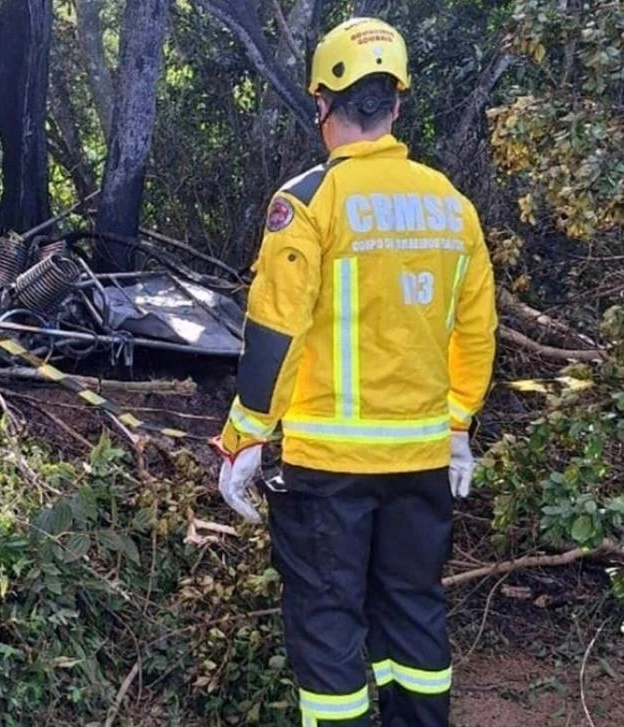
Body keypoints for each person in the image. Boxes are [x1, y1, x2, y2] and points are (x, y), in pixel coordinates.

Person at [211, 16, 498, 727]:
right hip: (422, 461)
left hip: (328, 468)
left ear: (321, 105)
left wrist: (243, 437)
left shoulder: (308, 203)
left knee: (330, 627)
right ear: (396, 104)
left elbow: (274, 330)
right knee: (414, 615)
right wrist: (458, 421)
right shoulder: (453, 207)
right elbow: (477, 330)